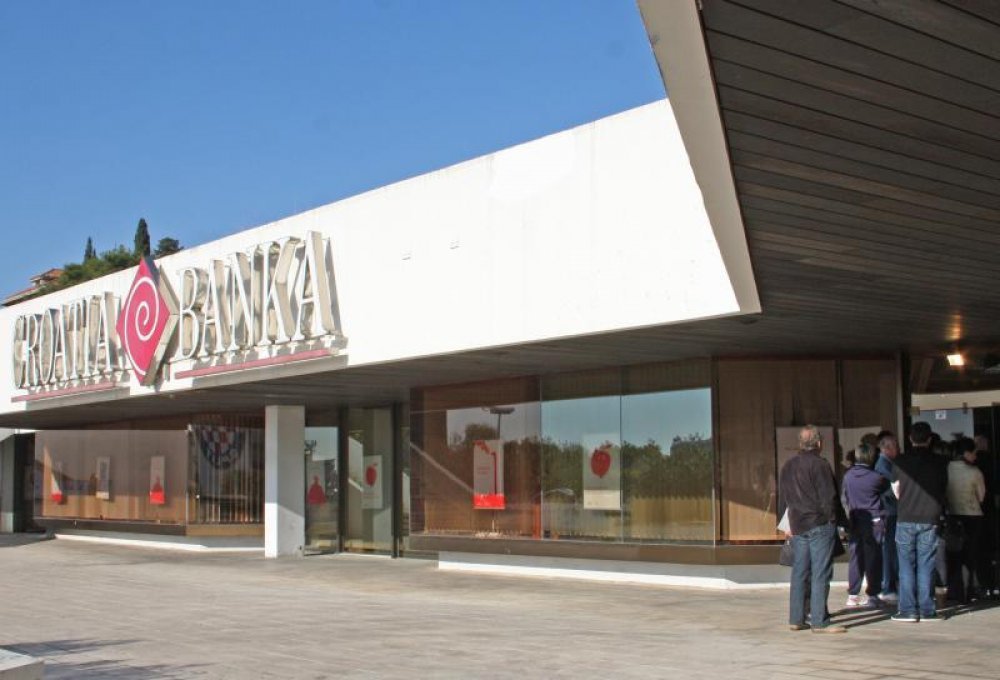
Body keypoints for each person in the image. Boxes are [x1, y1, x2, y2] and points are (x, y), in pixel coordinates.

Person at [779, 425, 846, 633]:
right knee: (820, 572)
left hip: (798, 525)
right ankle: (819, 621)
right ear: (818, 443)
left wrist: (785, 524)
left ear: (800, 443)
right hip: (819, 524)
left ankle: (796, 618)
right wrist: (836, 521)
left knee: (800, 571)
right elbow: (829, 498)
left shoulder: (788, 465)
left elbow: (783, 498)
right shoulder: (820, 465)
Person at [892, 421, 949, 622]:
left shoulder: (900, 461)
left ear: (910, 438)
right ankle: (927, 610)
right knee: (926, 563)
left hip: (906, 516)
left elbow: (896, 490)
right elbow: (943, 488)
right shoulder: (940, 462)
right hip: (930, 517)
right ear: (930, 439)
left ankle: (908, 610)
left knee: (906, 565)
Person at [842, 443, 889, 607]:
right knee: (873, 558)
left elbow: (844, 497)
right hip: (874, 520)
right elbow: (887, 489)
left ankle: (853, 594)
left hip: (855, 519)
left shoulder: (848, 476)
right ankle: (873, 595)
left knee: (856, 557)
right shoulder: (876, 477)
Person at [946, 437, 986, 603]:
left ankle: (955, 591)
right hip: (972, 516)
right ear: (966, 453)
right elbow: (981, 496)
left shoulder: (946, 468)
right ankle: (971, 589)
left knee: (954, 555)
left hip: (952, 515)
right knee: (971, 555)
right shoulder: (975, 472)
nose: (975, 457)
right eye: (974, 453)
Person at [874, 431, 900, 603]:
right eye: (895, 446)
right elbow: (893, 486)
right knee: (889, 550)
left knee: (891, 549)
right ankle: (887, 586)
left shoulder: (888, 464)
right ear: (887, 448)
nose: (898, 449)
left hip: (891, 511)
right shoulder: (883, 465)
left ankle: (890, 585)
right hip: (888, 511)